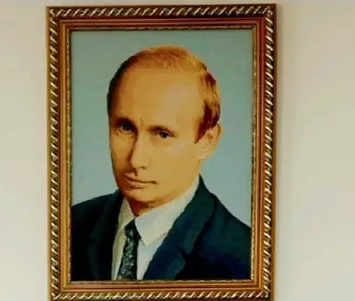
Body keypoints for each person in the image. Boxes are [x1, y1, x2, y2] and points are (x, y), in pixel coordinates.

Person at [69, 45, 252, 282]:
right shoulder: (70, 228)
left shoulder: (242, 257)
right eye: (125, 127)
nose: (136, 160)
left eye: (163, 134)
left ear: (207, 141)